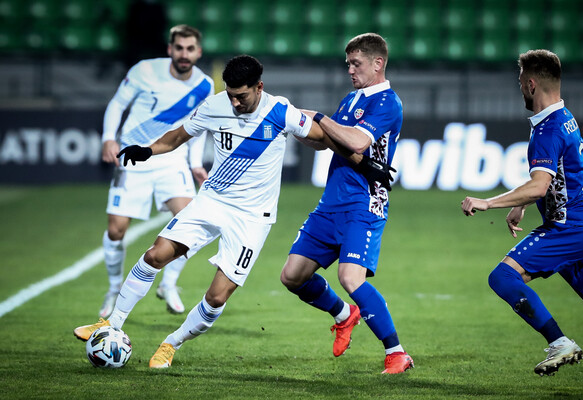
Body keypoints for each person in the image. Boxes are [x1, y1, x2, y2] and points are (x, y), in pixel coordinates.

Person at [74, 55, 392, 368]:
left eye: (241, 96)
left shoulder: (280, 111)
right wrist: (148, 150)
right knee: (155, 255)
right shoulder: (215, 106)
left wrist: (363, 164)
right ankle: (111, 323)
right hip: (211, 202)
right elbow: (178, 136)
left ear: (259, 87)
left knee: (216, 297)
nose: (236, 103)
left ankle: (171, 342)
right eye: (231, 95)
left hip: (252, 218)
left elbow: (323, 138)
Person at [279, 33, 413, 374]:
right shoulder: (352, 99)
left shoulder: (386, 102)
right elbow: (325, 141)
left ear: (377, 63)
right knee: (292, 276)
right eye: (348, 64)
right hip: (331, 204)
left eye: (357, 64)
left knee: (350, 278)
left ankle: (396, 352)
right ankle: (344, 314)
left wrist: (320, 117)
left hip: (365, 202)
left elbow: (354, 140)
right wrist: (296, 123)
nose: (350, 70)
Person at [461, 49, 583, 376]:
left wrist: (488, 203)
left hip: (567, 229)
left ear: (532, 83)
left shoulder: (547, 130)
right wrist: (521, 205)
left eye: (521, 81)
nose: (520, 87)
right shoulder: (563, 117)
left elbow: (540, 186)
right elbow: (553, 177)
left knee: (503, 277)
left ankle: (559, 342)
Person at [99, 24, 214, 318]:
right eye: (179, 48)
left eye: (190, 49)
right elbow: (117, 103)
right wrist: (108, 138)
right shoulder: (144, 71)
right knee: (117, 230)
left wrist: (195, 163)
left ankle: (169, 283)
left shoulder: (204, 86)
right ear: (170, 49)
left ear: (198, 52)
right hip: (132, 156)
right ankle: (114, 289)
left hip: (171, 159)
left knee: (190, 223)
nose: (184, 54)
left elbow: (198, 128)